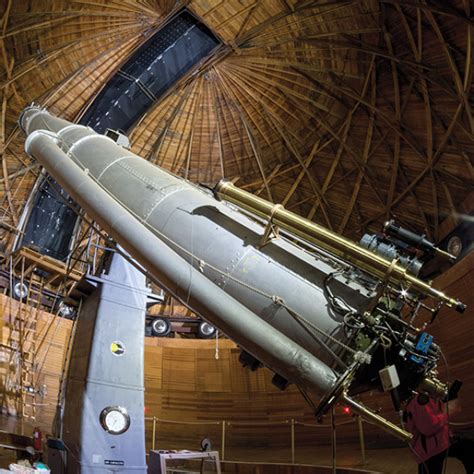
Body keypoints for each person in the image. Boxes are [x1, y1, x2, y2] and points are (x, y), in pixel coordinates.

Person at [404, 393, 474, 473]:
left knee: (468, 448)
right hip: (429, 450)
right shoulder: (419, 401)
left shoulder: (430, 397)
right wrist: (448, 411)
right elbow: (428, 428)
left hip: (442, 442)